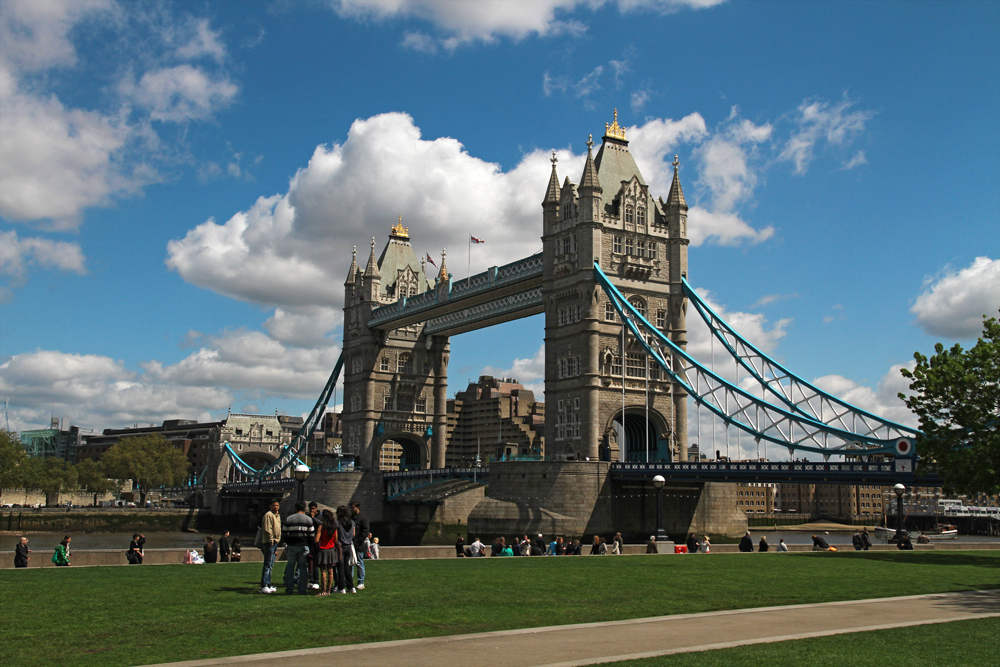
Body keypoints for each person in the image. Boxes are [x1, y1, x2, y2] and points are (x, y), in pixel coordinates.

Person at [283, 501, 315, 594]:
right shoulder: (308, 519)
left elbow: (284, 534)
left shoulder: (289, 519)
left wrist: (289, 542)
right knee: (303, 568)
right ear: (305, 508)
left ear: (295, 508)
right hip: (304, 545)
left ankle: (289, 588)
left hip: (292, 545)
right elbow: (311, 535)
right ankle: (302, 589)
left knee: (290, 567)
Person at [260, 499, 282, 594]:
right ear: (270, 506)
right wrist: (271, 540)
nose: (276, 507)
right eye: (274, 505)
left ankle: (268, 584)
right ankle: (264, 585)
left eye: (277, 505)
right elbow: (267, 529)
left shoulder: (277, 516)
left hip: (275, 542)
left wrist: (278, 539)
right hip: (270, 543)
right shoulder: (268, 515)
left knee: (271, 565)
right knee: (268, 564)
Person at [314, 509, 338, 596]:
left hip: (323, 549)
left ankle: (323, 590)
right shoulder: (334, 527)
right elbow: (335, 540)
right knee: (330, 571)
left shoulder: (321, 527)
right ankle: (328, 590)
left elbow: (316, 540)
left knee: (323, 571)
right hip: (331, 549)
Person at [335, 505, 356, 594]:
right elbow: (354, 534)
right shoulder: (352, 522)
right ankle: (351, 586)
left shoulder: (338, 522)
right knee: (347, 567)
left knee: (340, 567)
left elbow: (336, 535)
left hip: (340, 546)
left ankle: (341, 587)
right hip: (348, 545)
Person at [350, 502, 369, 590]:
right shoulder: (351, 518)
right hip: (351, 544)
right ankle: (350, 581)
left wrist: (358, 542)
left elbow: (365, 531)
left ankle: (361, 582)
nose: (351, 509)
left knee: (359, 563)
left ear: (358, 507)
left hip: (359, 544)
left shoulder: (362, 518)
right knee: (351, 563)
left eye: (352, 508)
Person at [307, 502, 321, 590]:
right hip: (309, 542)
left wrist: (313, 518)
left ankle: (316, 580)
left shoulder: (319, 517)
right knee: (310, 563)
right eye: (310, 509)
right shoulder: (308, 517)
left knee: (316, 563)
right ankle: (310, 580)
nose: (312, 510)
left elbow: (321, 524)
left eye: (313, 509)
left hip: (317, 543)